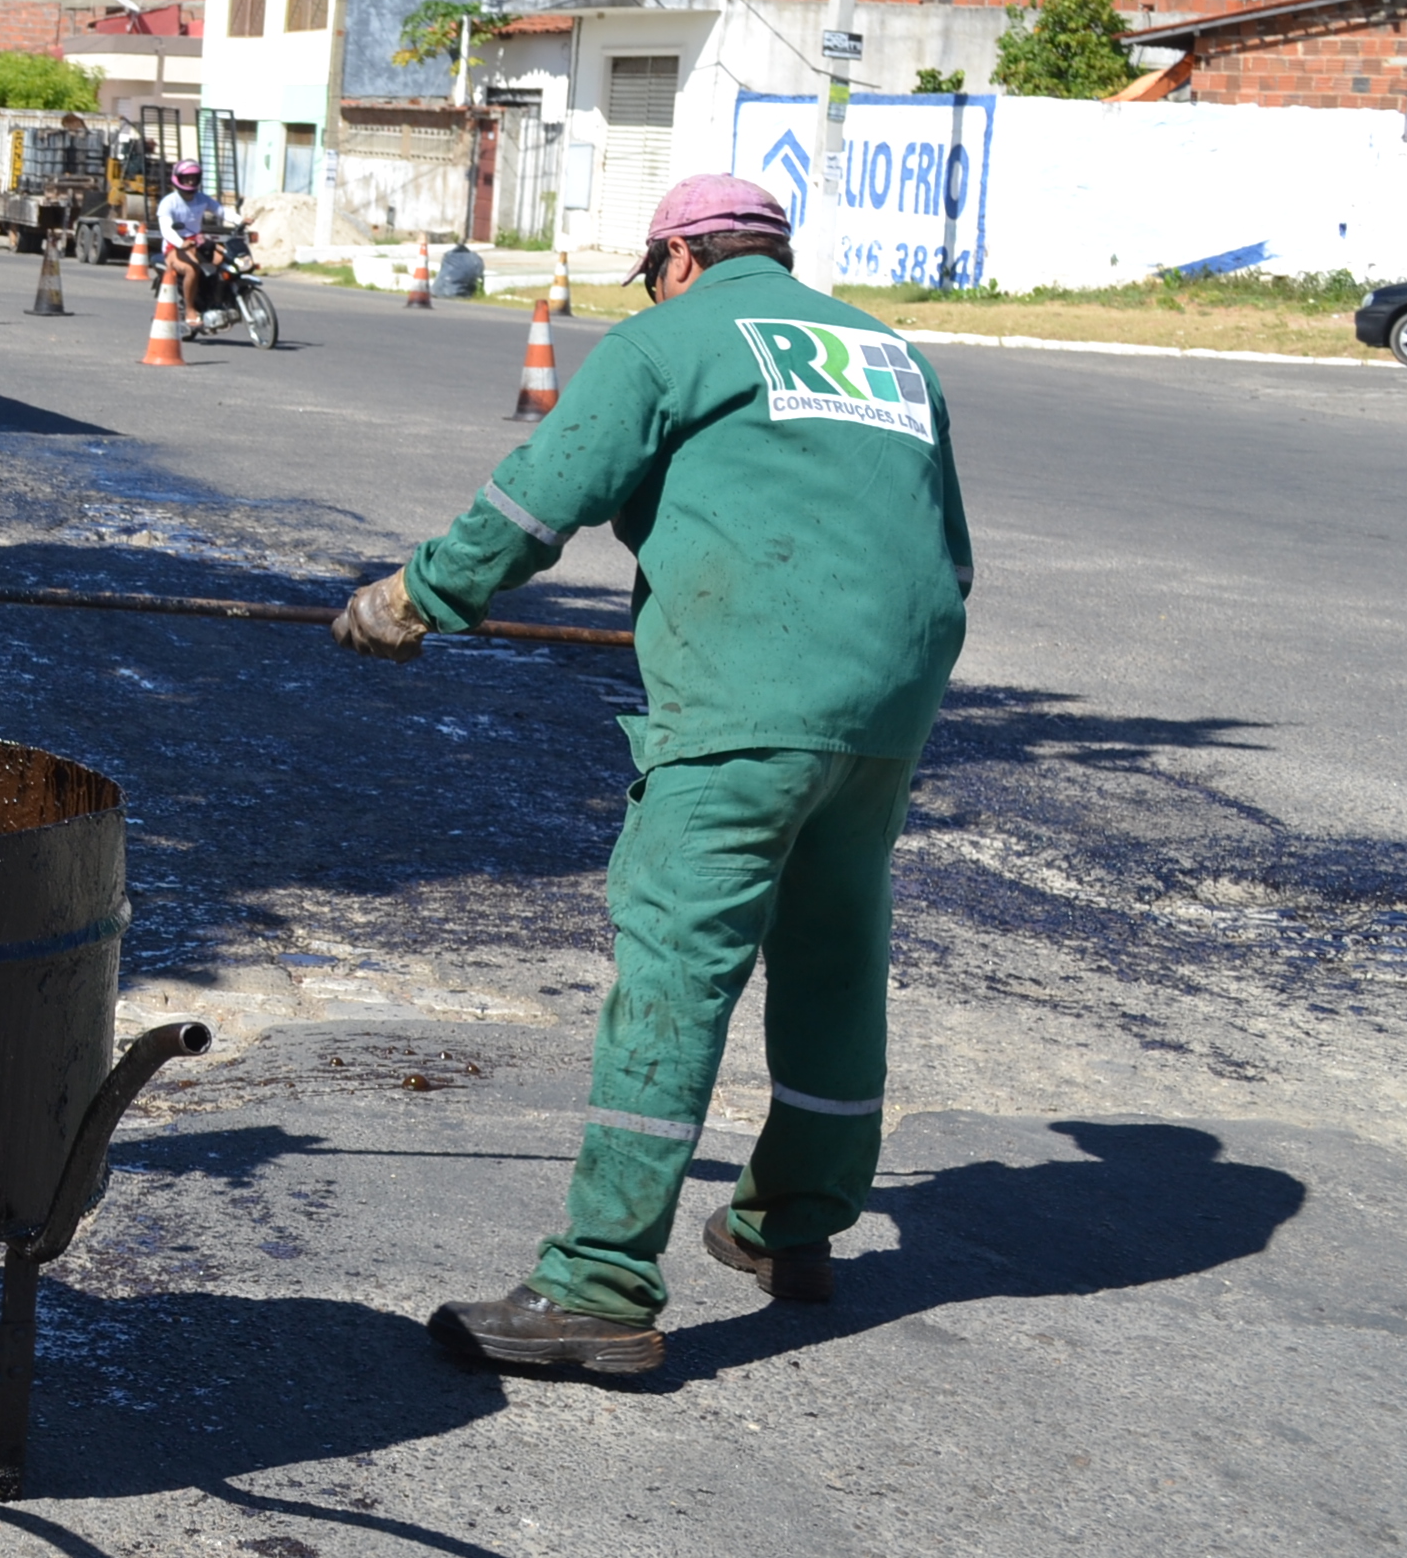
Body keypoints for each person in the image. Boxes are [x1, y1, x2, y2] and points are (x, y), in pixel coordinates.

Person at [330, 175, 973, 1374]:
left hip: (744, 708)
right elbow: (949, 550)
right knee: (834, 961)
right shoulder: (889, 355)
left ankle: (600, 1287)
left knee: (675, 969)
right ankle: (795, 1226)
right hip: (890, 711)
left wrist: (416, 598)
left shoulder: (672, 337)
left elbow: (539, 501)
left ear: (676, 255)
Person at [155, 157, 222, 314]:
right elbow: (166, 230)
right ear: (178, 179)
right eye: (187, 178)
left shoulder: (201, 198)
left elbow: (221, 211)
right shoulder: (168, 202)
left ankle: (215, 300)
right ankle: (190, 308)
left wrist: (241, 220)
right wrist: (180, 243)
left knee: (224, 260)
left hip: (196, 242)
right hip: (173, 247)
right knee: (191, 270)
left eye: (194, 178)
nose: (191, 182)